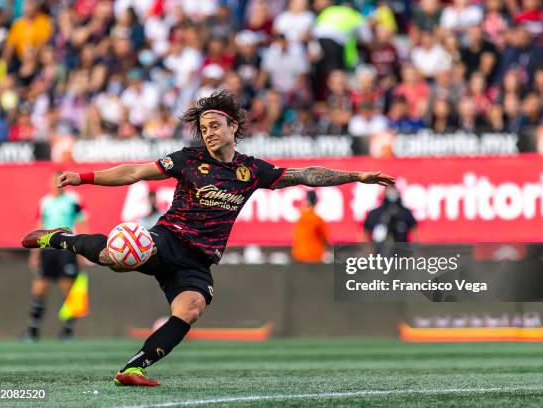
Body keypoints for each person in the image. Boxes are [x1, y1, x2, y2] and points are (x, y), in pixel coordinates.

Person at [22, 90, 394, 387]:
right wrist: (84, 177)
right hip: (167, 239)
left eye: (215, 125)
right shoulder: (187, 159)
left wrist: (356, 176)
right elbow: (134, 171)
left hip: (199, 259)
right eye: (204, 128)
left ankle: (133, 369)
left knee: (190, 309)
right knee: (117, 257)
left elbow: (306, 175)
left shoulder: (251, 171)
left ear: (233, 126)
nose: (209, 132)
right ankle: (58, 238)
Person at [23, 172, 87, 341]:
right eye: (53, 180)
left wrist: (83, 251)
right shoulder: (44, 202)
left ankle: (67, 331)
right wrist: (34, 254)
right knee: (39, 290)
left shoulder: (74, 200)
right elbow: (39, 228)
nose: (56, 183)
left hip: (67, 247)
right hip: (47, 249)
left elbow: (82, 224)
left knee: (67, 291)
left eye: (59, 180)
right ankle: (32, 331)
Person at [363, 185, 417, 255]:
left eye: (393, 190)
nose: (391, 193)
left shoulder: (405, 212)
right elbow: (365, 233)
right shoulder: (375, 213)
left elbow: (415, 231)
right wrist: (368, 251)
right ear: (384, 193)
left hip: (401, 254)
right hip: (379, 253)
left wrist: (414, 251)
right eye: (389, 190)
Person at [292, 190, 329, 263]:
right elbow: (325, 238)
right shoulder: (317, 219)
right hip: (315, 256)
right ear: (316, 201)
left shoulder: (301, 217)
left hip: (299, 255)